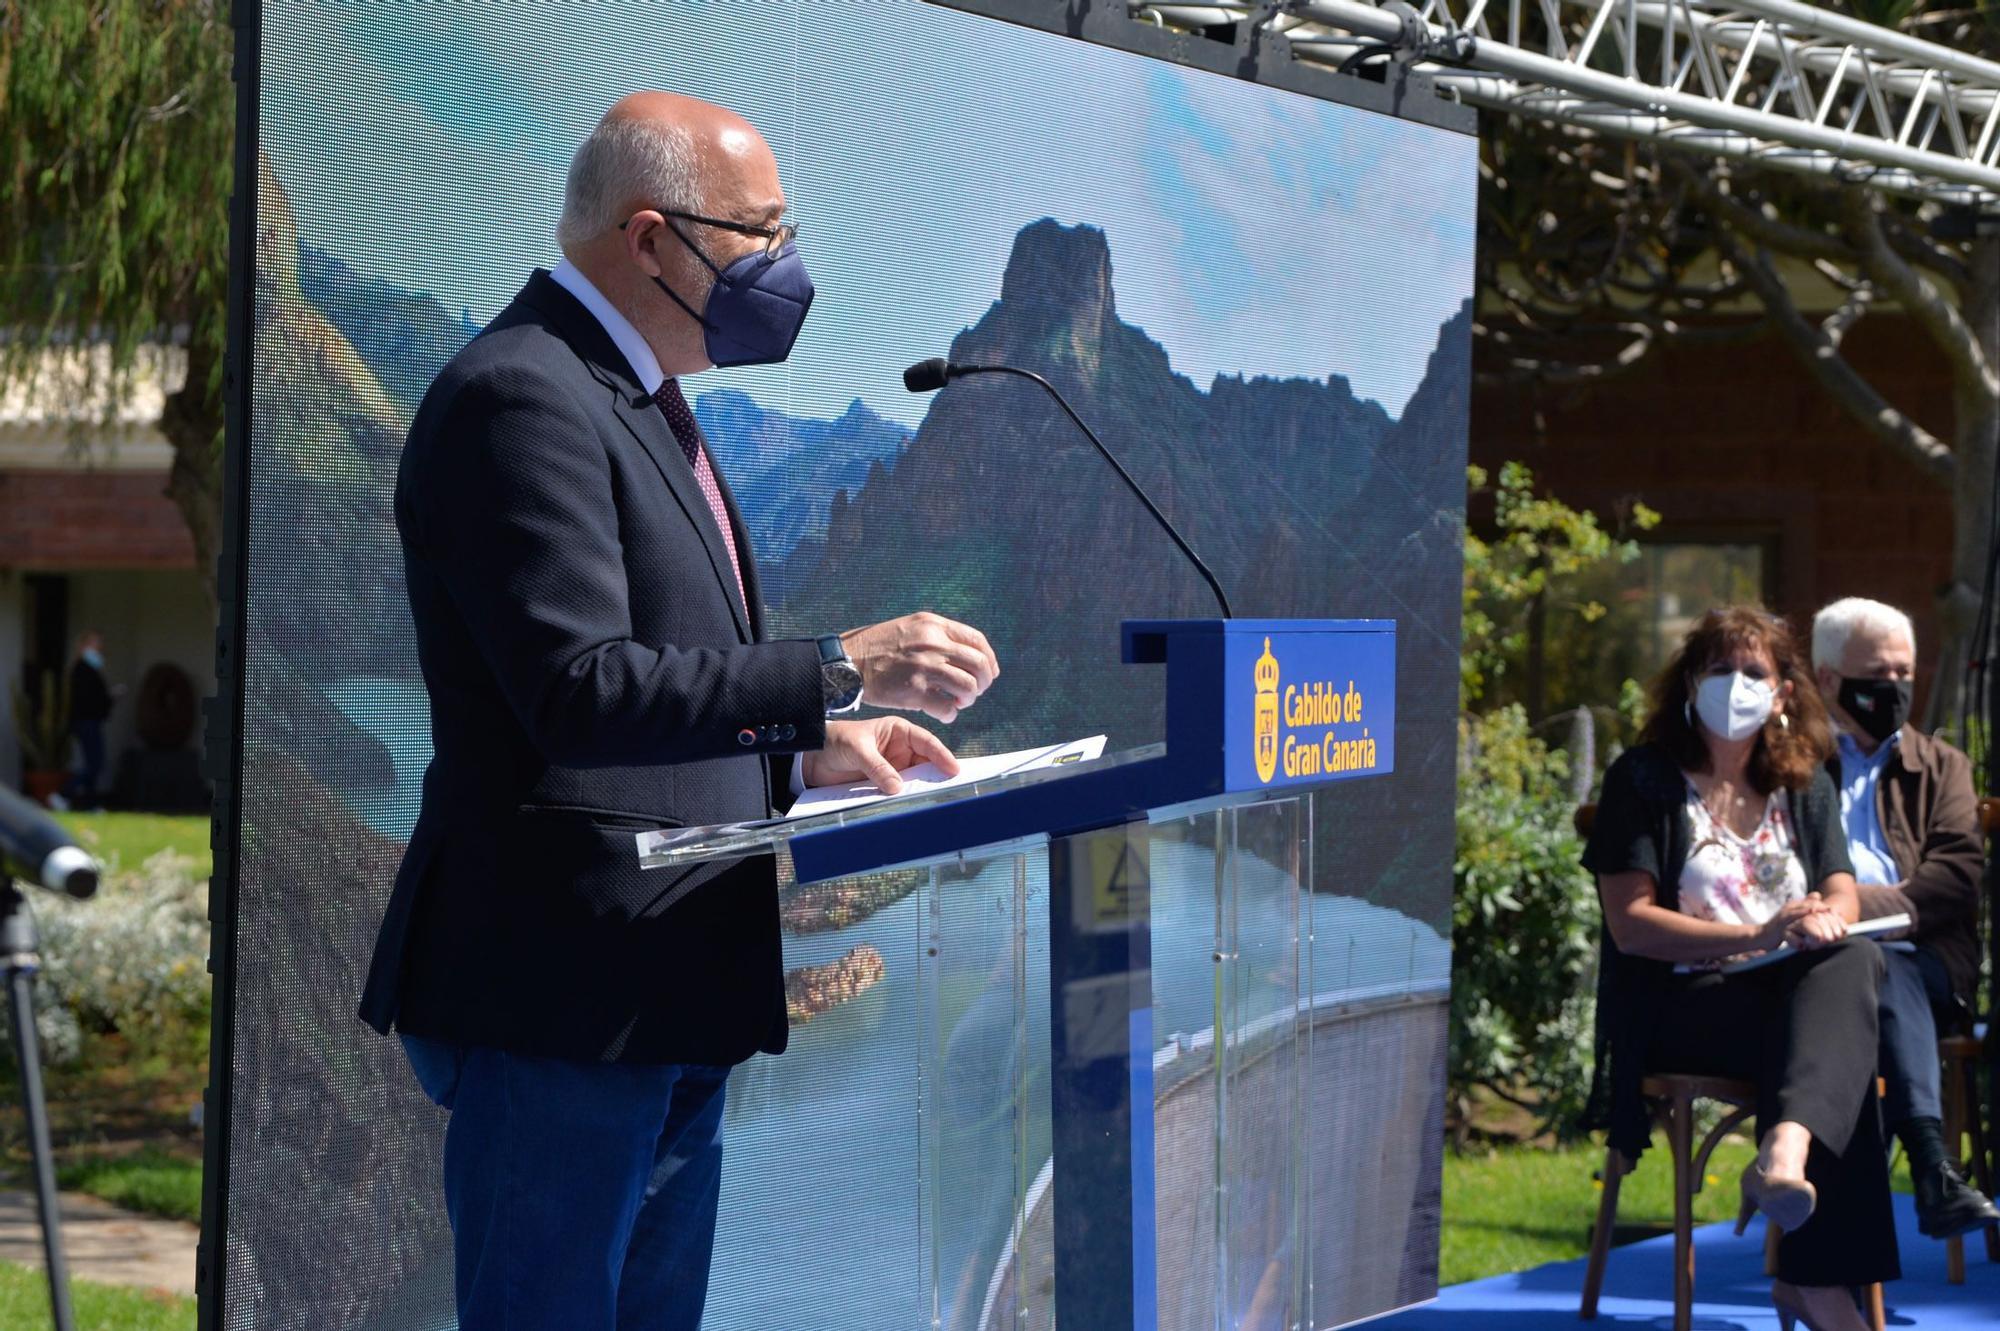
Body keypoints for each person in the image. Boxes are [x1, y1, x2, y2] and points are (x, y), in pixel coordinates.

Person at [357, 93, 1002, 1330]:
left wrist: (813, 754)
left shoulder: (637, 395)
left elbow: (663, 705)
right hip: (562, 1002)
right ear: (649, 237)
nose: (784, 263)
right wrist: (832, 666)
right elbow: (578, 690)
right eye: (757, 231)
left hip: (661, 993)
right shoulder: (520, 395)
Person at [1583, 606, 1897, 1331]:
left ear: (1784, 691)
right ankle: (1816, 1280)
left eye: (1754, 672)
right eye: (1719, 669)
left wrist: (1824, 915)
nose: (1736, 684)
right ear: (1690, 682)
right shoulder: (1645, 778)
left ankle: (1785, 1154)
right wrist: (1760, 931)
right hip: (1685, 1004)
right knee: (1839, 1043)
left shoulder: (1802, 779)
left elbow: (1841, 884)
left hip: (1788, 997)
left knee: (1852, 958)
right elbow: (1631, 927)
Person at [1811, 597, 2000, 1240]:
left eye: (1903, 673)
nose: (1894, 687)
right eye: (1877, 673)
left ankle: (1916, 1167)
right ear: (1827, 679)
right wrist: (1859, 912)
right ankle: (1933, 1171)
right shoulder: (1791, 766)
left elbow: (1955, 878)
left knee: (1880, 963)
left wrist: (1847, 907)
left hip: (1926, 973)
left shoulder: (1943, 766)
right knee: (1860, 968)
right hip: (1812, 967)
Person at [59, 630, 114, 809]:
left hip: (92, 721)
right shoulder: (81, 670)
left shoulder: (91, 670)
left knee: (95, 762)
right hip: (86, 722)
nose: (99, 649)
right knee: (95, 763)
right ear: (83, 647)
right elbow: (89, 699)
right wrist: (108, 698)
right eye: (94, 645)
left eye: (99, 645)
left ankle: (90, 804)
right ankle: (63, 794)